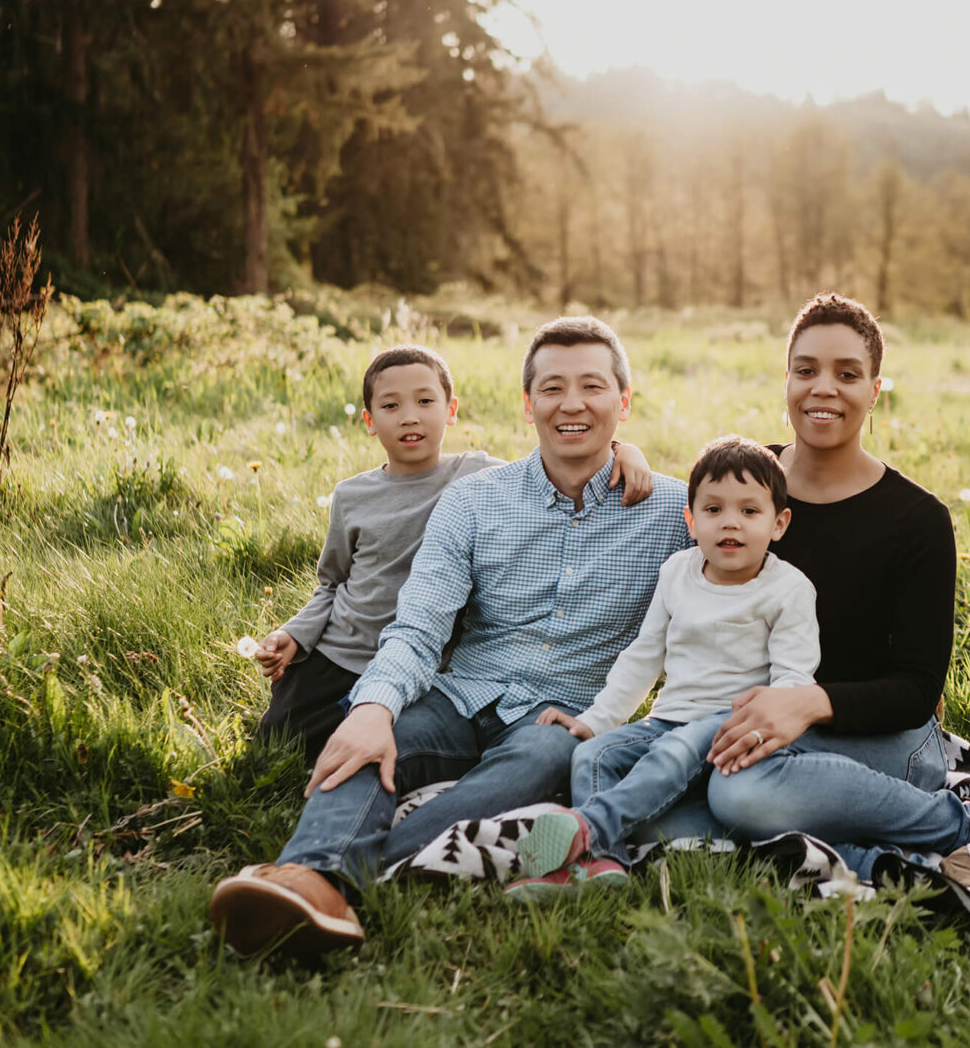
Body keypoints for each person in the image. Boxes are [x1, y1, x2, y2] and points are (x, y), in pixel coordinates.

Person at [209, 317, 691, 958]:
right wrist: (375, 708)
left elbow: (765, 495)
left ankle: (338, 878)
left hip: (561, 716)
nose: (571, 404)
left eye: (592, 387)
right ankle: (312, 876)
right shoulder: (473, 502)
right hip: (460, 693)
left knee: (543, 762)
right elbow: (419, 624)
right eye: (551, 388)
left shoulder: (675, 511)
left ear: (623, 403)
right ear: (527, 405)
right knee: (361, 739)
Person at [574, 293, 970, 894]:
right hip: (746, 726)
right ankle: (873, 858)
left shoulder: (917, 520)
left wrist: (808, 703)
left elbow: (917, 690)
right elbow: (684, 498)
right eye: (806, 370)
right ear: (787, 381)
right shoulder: (750, 485)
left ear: (875, 391)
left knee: (735, 790)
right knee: (646, 796)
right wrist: (623, 448)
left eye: (847, 374)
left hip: (877, 737)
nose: (823, 388)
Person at [250, 344, 653, 748]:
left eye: (425, 401)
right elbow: (332, 584)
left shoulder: (476, 475)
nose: (410, 416)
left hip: (426, 663)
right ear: (370, 421)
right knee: (277, 745)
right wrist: (297, 634)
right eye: (391, 406)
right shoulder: (352, 496)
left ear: (451, 410)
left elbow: (553, 462)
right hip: (341, 655)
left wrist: (622, 450)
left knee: (400, 745)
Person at [503, 436, 820, 899]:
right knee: (593, 756)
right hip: (668, 720)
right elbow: (644, 654)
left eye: (749, 512)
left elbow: (793, 678)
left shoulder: (788, 589)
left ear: (779, 523)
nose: (730, 523)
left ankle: (585, 830)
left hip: (732, 724)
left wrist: (763, 735)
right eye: (713, 510)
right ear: (691, 520)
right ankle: (603, 864)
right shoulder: (677, 571)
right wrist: (596, 721)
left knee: (671, 754)